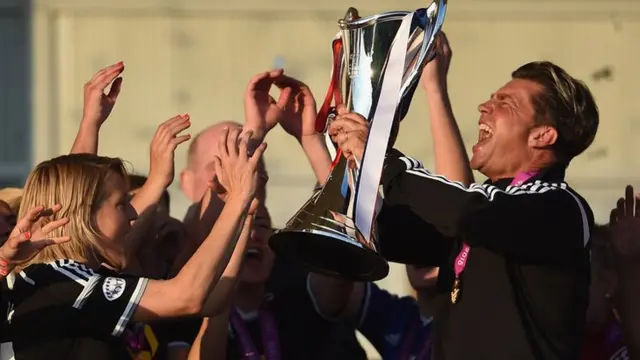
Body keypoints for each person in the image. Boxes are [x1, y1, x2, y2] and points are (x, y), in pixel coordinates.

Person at [329, 60, 598, 360]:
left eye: (505, 103)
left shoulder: (561, 207)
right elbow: (393, 232)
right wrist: (351, 161)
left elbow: (471, 211)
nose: (484, 106)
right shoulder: (485, 208)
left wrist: (381, 157)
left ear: (542, 136)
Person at [1, 125, 266, 359]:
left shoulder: (85, 278)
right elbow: (188, 296)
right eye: (121, 203)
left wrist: (244, 212)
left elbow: (210, 299)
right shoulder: (59, 279)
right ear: (83, 213)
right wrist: (237, 201)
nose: (133, 213)